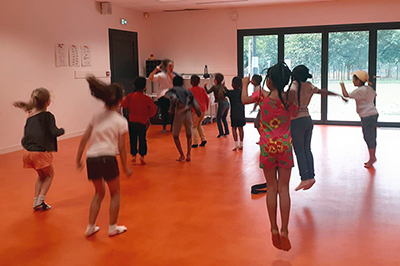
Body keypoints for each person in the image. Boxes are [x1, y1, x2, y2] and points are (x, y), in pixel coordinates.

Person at [242, 62, 298, 251]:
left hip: (267, 147)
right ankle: (284, 230)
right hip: (284, 147)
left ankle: (273, 227)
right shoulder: (290, 100)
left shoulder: (261, 97)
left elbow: (243, 100)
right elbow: (295, 113)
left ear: (270, 81)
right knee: (284, 188)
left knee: (271, 187)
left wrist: (245, 84)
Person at [76, 76, 132, 237]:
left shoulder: (96, 116)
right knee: (115, 193)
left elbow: (84, 138)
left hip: (91, 158)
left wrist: (78, 158)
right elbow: (121, 147)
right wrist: (125, 167)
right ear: (120, 101)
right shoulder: (121, 121)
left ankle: (90, 226)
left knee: (98, 193)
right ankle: (112, 227)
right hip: (107, 158)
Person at [288, 65, 348, 191]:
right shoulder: (309, 85)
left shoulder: (295, 84)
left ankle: (304, 178)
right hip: (307, 119)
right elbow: (323, 92)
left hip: (296, 121)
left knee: (299, 151)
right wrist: (338, 95)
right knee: (307, 149)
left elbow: (292, 91)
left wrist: (291, 103)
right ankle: (311, 176)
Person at [13, 88, 65, 211]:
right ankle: (40, 202)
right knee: (49, 175)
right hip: (40, 152)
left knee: (41, 176)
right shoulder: (48, 116)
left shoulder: (30, 114)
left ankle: (36, 201)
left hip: (28, 152)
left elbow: (27, 132)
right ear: (48, 102)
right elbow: (54, 132)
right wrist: (61, 130)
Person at [340, 70, 379, 168]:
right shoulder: (368, 89)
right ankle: (372, 157)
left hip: (367, 116)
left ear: (358, 80)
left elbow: (346, 95)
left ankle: (372, 158)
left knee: (368, 136)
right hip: (373, 114)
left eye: (354, 79)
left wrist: (342, 86)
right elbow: (375, 94)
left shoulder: (359, 91)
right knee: (371, 136)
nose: (353, 81)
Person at [121, 76, 157, 165]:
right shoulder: (147, 99)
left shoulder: (130, 96)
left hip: (132, 121)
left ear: (134, 86)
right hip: (142, 122)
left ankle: (133, 155)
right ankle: (142, 156)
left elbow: (124, 105)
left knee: (133, 138)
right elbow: (153, 110)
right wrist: (147, 116)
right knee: (142, 138)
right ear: (145, 87)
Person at [168, 76, 201, 162]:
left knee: (175, 135)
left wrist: (171, 109)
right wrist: (198, 112)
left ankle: (182, 155)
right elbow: (195, 104)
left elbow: (173, 99)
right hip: (188, 113)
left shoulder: (172, 90)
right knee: (189, 134)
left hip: (179, 112)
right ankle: (189, 154)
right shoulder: (188, 91)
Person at [149, 59, 176, 133]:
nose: (171, 68)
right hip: (163, 95)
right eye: (169, 66)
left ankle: (172, 127)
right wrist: (155, 70)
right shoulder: (161, 75)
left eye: (172, 66)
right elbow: (150, 78)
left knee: (173, 112)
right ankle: (164, 127)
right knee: (164, 113)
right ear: (166, 67)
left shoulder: (174, 75)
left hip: (172, 96)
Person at [205, 73, 230, 137]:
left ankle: (221, 132)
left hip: (221, 104)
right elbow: (227, 93)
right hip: (226, 103)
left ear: (216, 80)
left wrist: (205, 87)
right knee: (224, 118)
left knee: (218, 119)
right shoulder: (223, 86)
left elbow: (207, 92)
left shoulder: (214, 87)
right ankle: (227, 131)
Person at [188, 75, 209, 148]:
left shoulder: (190, 90)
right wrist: (206, 107)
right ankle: (203, 139)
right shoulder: (202, 89)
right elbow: (207, 99)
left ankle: (195, 142)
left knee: (193, 126)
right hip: (203, 109)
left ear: (191, 82)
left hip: (195, 110)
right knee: (199, 124)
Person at [225, 77, 246, 150]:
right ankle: (241, 144)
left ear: (232, 84)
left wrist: (223, 85)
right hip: (241, 113)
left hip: (234, 113)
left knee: (234, 128)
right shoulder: (242, 92)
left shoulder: (231, 93)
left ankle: (236, 144)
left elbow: (225, 92)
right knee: (241, 128)